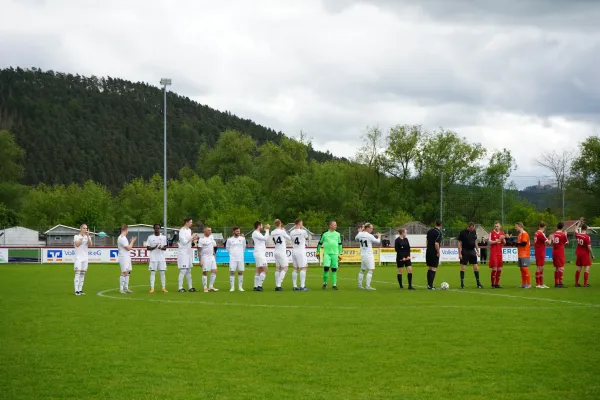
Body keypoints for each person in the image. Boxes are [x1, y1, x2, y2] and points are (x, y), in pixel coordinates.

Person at [316, 220, 343, 290]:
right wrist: (317, 251)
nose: (336, 226)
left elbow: (340, 244)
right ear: (330, 226)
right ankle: (325, 283)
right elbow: (320, 243)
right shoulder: (325, 234)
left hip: (335, 254)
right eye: (334, 225)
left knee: (334, 269)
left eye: (336, 225)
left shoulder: (338, 234)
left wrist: (340, 253)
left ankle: (334, 285)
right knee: (326, 268)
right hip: (327, 254)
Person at [355, 223, 381, 290]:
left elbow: (356, 238)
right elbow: (378, 242)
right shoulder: (370, 236)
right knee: (371, 269)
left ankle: (360, 285)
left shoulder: (360, 234)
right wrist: (379, 236)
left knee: (362, 270)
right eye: (371, 228)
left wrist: (360, 231)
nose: (372, 229)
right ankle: (367, 286)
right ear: (367, 228)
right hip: (369, 255)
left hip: (363, 254)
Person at [457, 222, 483, 289]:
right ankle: (462, 284)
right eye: (471, 228)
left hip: (472, 251)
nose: (472, 230)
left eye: (473, 228)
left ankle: (478, 283)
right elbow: (459, 243)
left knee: (476, 267)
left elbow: (475, 242)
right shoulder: (462, 232)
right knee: (463, 267)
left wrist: (477, 251)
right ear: (468, 227)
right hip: (465, 250)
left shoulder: (474, 232)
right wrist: (459, 253)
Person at [177, 217, 198, 292]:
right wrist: (192, 237)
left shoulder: (189, 230)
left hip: (189, 252)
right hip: (183, 252)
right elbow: (184, 242)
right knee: (183, 270)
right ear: (186, 222)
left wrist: (194, 239)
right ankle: (180, 287)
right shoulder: (182, 231)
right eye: (191, 222)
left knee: (189, 270)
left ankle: (190, 287)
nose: (191, 223)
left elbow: (189, 242)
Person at [289, 219, 310, 291]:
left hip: (294, 250)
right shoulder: (303, 231)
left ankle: (294, 286)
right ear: (299, 223)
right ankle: (302, 286)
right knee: (303, 268)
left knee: (295, 269)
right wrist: (303, 228)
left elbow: (291, 240)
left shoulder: (291, 232)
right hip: (301, 251)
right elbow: (308, 237)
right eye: (302, 223)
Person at [271, 219, 292, 291]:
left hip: (276, 251)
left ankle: (277, 284)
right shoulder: (282, 232)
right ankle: (278, 285)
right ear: (280, 224)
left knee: (277, 269)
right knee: (285, 268)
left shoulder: (272, 232)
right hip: (281, 251)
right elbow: (290, 238)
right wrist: (285, 231)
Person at [147, 223, 168, 293]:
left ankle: (163, 288)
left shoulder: (163, 237)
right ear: (154, 229)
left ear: (160, 229)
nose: (157, 229)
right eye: (156, 228)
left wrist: (161, 247)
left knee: (162, 272)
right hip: (153, 258)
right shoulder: (150, 237)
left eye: (158, 228)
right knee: (153, 272)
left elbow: (165, 248)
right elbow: (148, 247)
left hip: (161, 258)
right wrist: (154, 247)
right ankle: (152, 288)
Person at [198, 226, 218, 292]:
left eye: (210, 230)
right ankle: (205, 287)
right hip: (205, 257)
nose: (210, 231)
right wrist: (200, 260)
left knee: (214, 270)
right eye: (209, 230)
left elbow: (214, 246)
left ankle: (211, 286)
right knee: (205, 272)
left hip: (212, 256)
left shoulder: (211, 237)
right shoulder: (201, 239)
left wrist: (214, 256)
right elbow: (199, 251)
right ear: (205, 231)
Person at [225, 226, 246, 292]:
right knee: (232, 272)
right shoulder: (229, 240)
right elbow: (227, 248)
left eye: (239, 231)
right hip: (233, 258)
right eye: (237, 231)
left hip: (240, 258)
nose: (238, 232)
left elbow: (244, 247)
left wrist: (240, 253)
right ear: (233, 232)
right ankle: (232, 287)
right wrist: (233, 253)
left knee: (240, 272)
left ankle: (240, 287)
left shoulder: (242, 239)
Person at [73, 223, 92, 295]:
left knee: (83, 274)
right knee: (77, 273)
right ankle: (76, 290)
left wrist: (87, 236)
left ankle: (80, 289)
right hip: (78, 258)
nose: (85, 230)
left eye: (86, 228)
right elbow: (77, 244)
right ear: (81, 229)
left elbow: (90, 245)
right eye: (84, 228)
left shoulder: (87, 237)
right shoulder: (76, 236)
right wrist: (83, 237)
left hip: (85, 258)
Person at [252, 221, 270, 292]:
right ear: (259, 226)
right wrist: (267, 230)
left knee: (258, 270)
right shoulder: (256, 233)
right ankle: (259, 286)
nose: (262, 226)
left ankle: (255, 286)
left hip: (259, 252)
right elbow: (265, 238)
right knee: (265, 270)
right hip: (259, 253)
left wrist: (265, 229)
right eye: (261, 225)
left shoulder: (257, 233)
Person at [117, 224, 136, 294]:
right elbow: (128, 248)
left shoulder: (124, 238)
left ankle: (126, 287)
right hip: (123, 257)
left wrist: (131, 245)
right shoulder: (121, 238)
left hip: (127, 256)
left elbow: (128, 248)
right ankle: (121, 288)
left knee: (128, 272)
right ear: (126, 230)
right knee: (124, 272)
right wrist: (132, 241)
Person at [534, 221, 552, 288]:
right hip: (540, 251)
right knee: (539, 267)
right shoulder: (541, 234)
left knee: (541, 267)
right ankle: (538, 284)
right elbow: (549, 243)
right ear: (545, 227)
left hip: (539, 251)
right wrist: (550, 238)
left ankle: (541, 283)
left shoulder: (536, 233)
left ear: (539, 226)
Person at [550, 222, 568, 288]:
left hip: (554, 251)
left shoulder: (553, 234)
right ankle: (560, 283)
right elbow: (566, 243)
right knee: (561, 267)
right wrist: (565, 235)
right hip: (560, 252)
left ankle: (556, 283)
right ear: (562, 227)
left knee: (557, 268)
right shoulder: (562, 235)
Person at [488, 221, 506, 288]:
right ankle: (492, 284)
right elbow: (489, 242)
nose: (496, 227)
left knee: (499, 269)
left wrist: (503, 238)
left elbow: (504, 243)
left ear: (500, 226)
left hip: (499, 253)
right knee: (494, 269)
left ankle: (497, 284)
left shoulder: (502, 233)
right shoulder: (491, 233)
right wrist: (497, 240)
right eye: (495, 226)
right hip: (494, 253)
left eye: (497, 226)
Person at [425, 220, 442, 290]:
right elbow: (436, 244)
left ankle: (429, 285)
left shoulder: (429, 231)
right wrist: (438, 252)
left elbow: (427, 241)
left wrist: (428, 248)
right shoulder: (439, 233)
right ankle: (431, 285)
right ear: (440, 225)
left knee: (429, 267)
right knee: (434, 268)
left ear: (435, 224)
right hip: (434, 251)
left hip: (428, 250)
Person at [514, 222, 532, 288]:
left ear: (520, 226)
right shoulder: (519, 235)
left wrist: (517, 244)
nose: (515, 228)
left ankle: (529, 284)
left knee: (525, 268)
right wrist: (516, 244)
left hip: (525, 253)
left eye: (516, 227)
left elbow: (524, 243)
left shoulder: (525, 234)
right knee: (522, 269)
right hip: (520, 254)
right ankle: (523, 284)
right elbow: (519, 244)